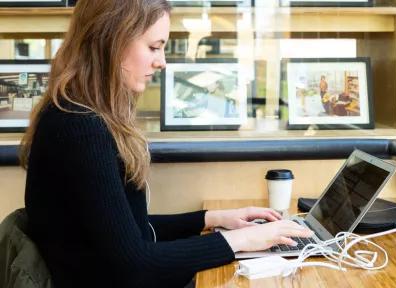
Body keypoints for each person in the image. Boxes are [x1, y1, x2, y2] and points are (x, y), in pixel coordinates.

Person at [19, 1, 313, 287]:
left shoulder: (74, 115)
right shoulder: (80, 128)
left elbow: (128, 234)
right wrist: (243, 240)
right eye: (154, 47)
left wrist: (214, 218)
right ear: (113, 39)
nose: (161, 61)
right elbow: (136, 265)